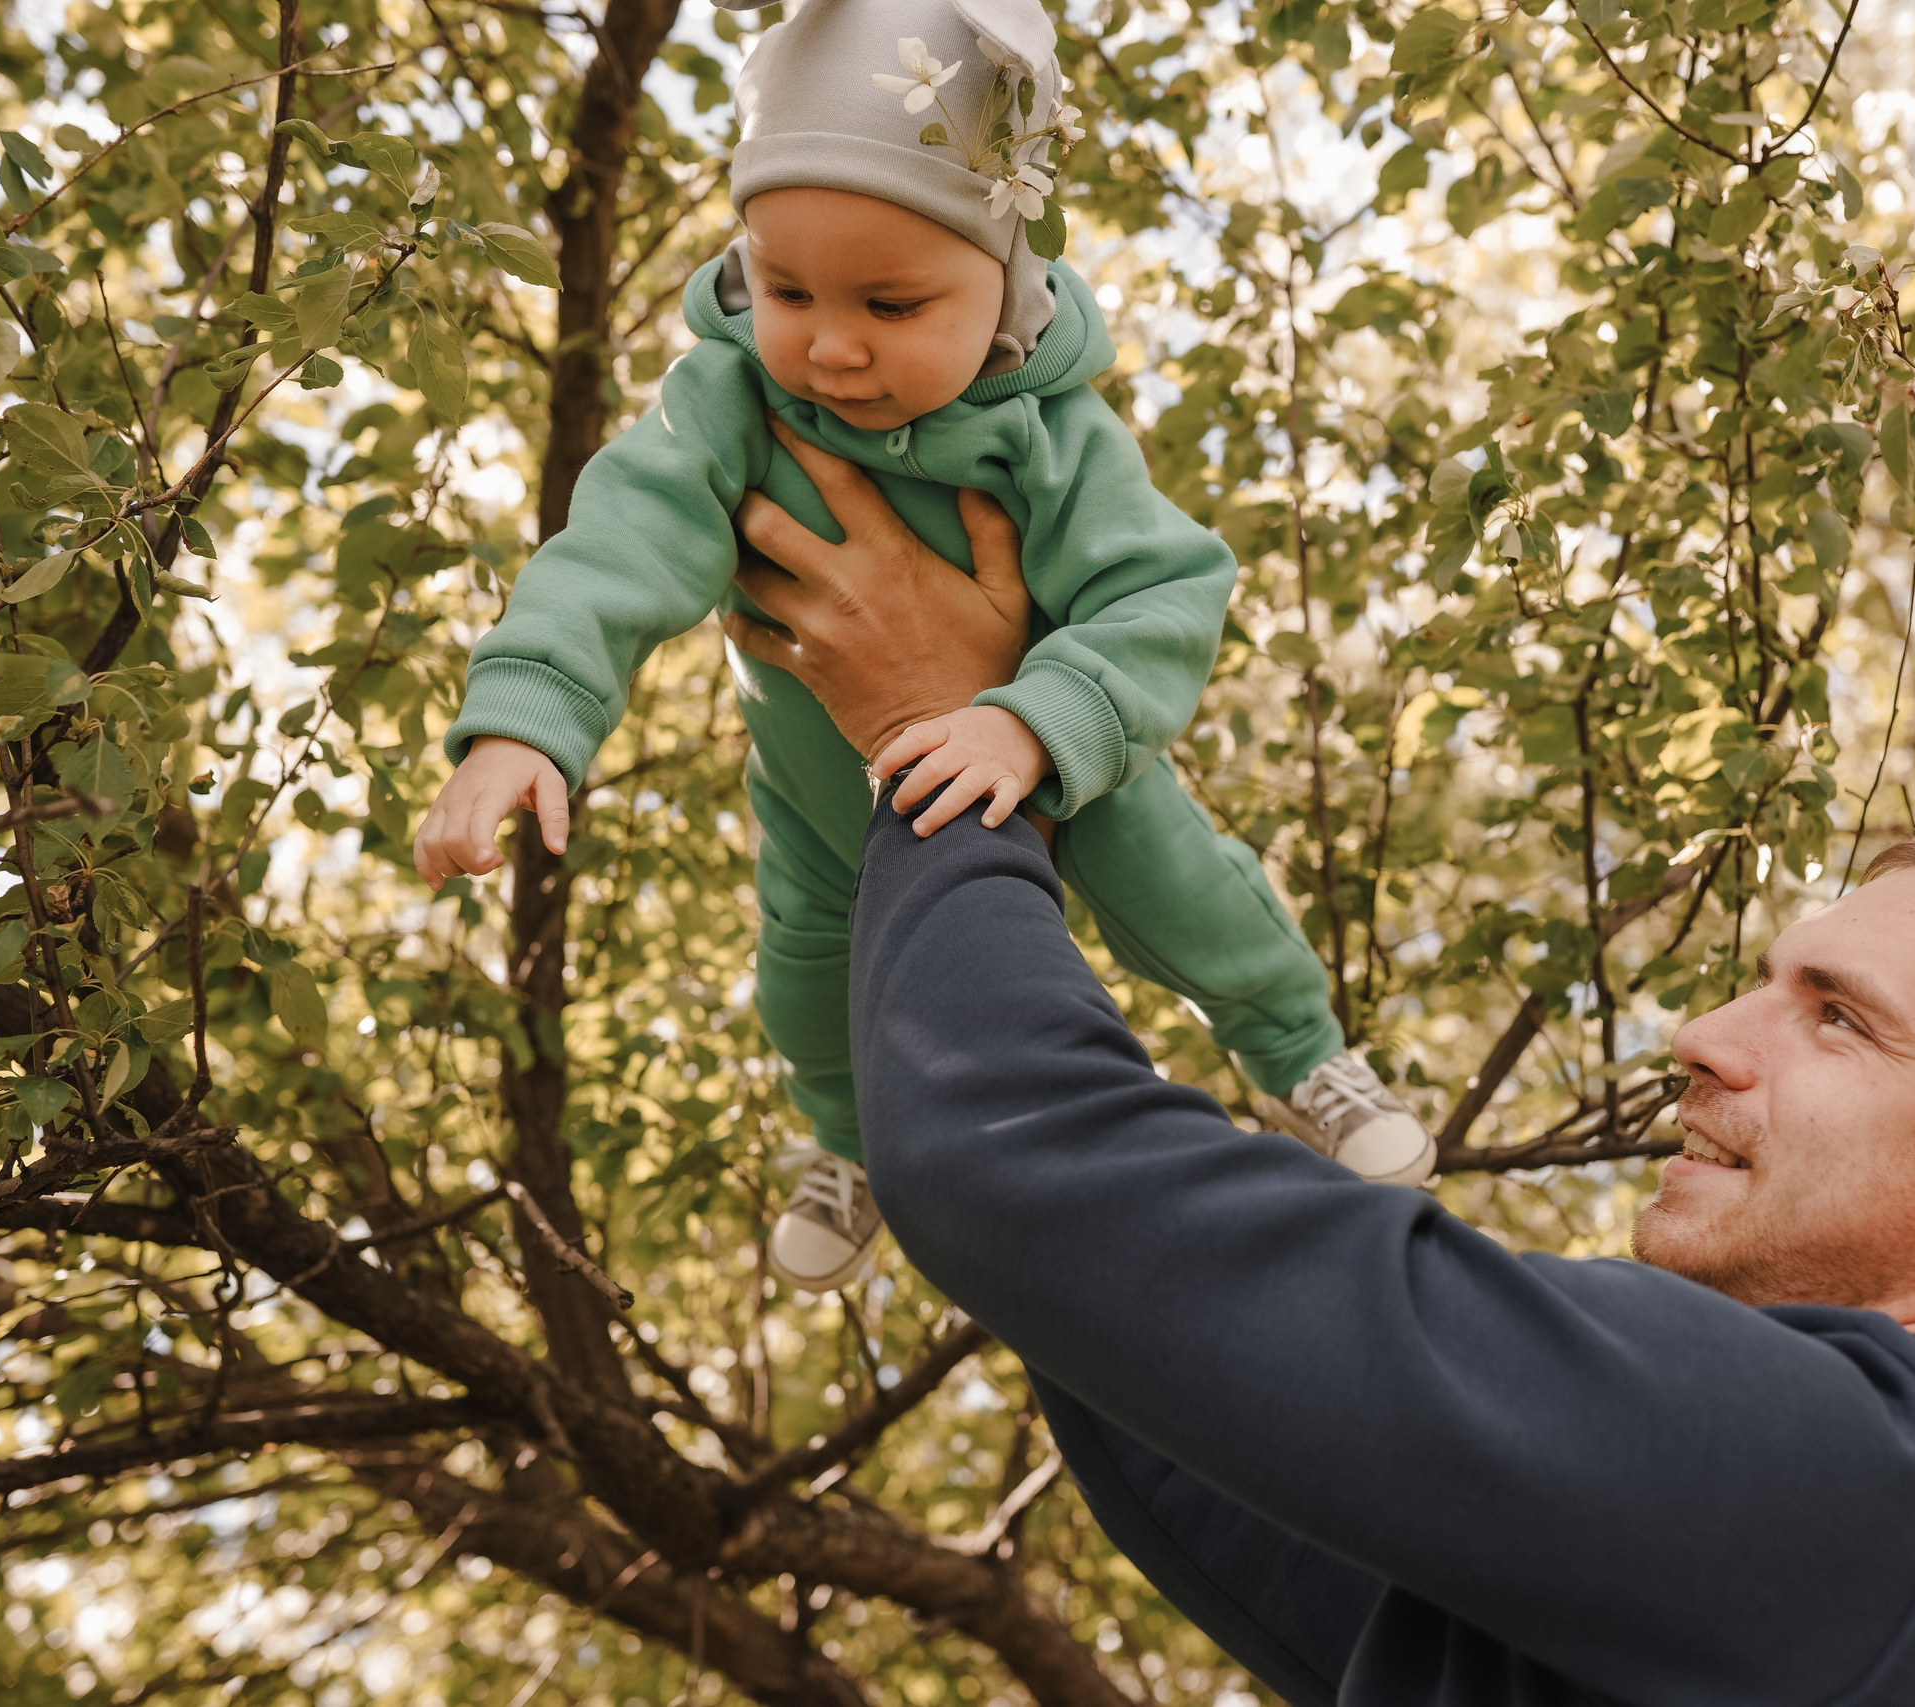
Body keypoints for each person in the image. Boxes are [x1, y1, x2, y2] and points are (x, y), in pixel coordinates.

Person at [741, 433, 1915, 1704]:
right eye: (1764, 987)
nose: (1702, 1039)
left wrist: (949, 742)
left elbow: (1019, 1170)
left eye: (1838, 1017)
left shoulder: (1893, 1492)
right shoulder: (1831, 1579)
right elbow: (1150, 1341)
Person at [409, 0, 1431, 1292]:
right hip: (823, 802)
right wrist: (524, 716)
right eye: (786, 290)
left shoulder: (1050, 434)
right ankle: (846, 1146)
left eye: (891, 303)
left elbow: (1165, 594)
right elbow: (617, 545)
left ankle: (1301, 1053)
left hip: (1055, 757)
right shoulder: (728, 406)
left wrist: (1031, 718)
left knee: (1191, 897)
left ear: (1000, 281)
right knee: (803, 991)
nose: (831, 346)